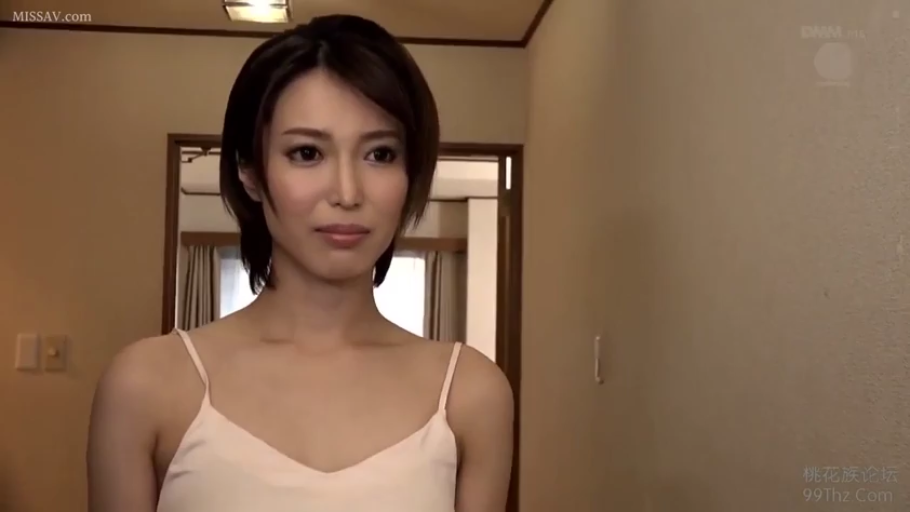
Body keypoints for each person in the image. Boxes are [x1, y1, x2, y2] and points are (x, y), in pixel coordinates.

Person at [86, 14, 514, 512]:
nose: (347, 193)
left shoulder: (470, 393)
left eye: (380, 154)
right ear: (250, 171)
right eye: (307, 152)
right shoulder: (146, 385)